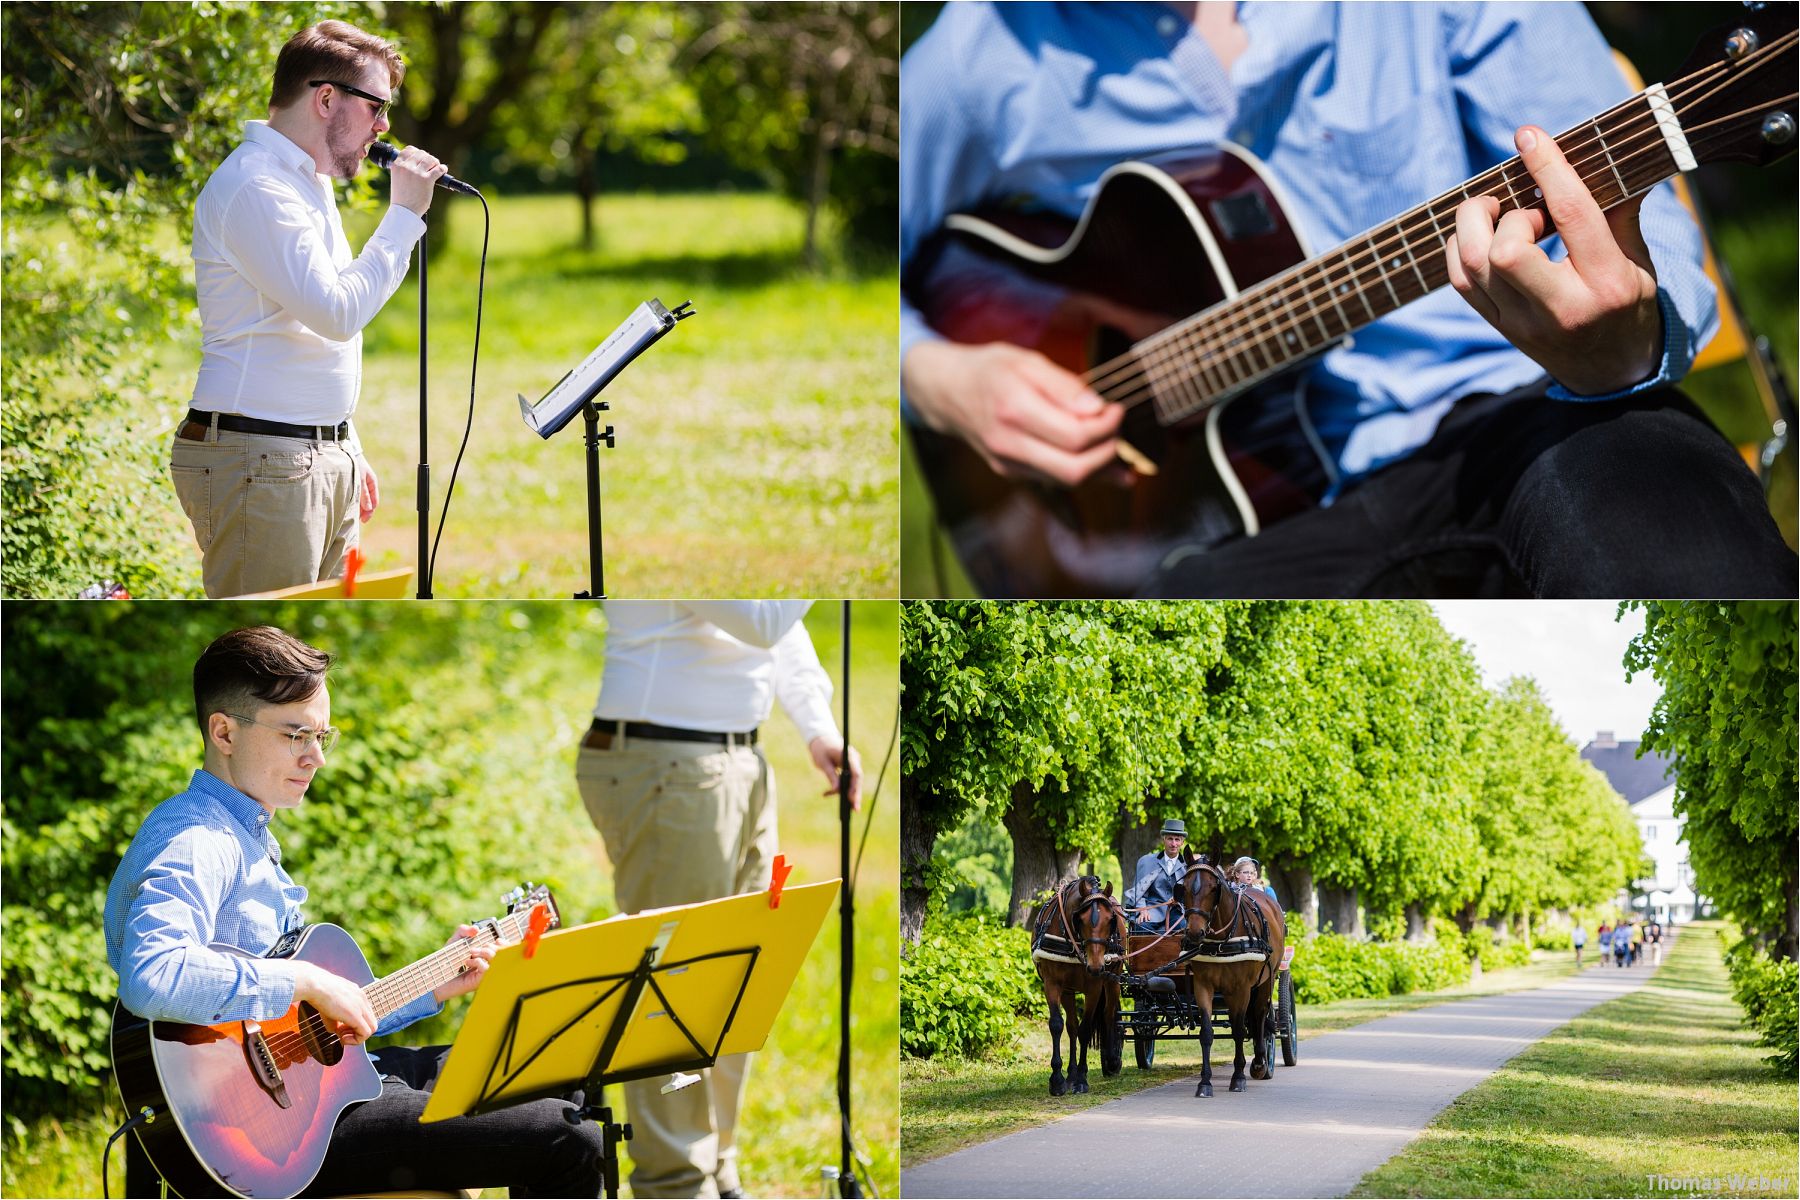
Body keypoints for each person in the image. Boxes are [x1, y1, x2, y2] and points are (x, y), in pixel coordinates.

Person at [899, 3, 1796, 598]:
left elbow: (1654, 236)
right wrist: (941, 378)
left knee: (1684, 557)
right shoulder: (979, 54)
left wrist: (1628, 340)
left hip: (1534, 416)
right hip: (1238, 528)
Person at [104, 626, 603, 1197]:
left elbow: (311, 1034)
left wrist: (438, 982)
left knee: (559, 1069)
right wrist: (307, 978)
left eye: (321, 735)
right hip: (259, 1144)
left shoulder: (246, 832)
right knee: (567, 1140)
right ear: (224, 732)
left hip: (308, 1102)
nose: (315, 757)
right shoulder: (196, 838)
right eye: (296, 735)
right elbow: (152, 974)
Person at [574, 601, 863, 1200]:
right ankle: (675, 1183)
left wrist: (818, 727)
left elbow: (779, 625)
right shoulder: (685, 517)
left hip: (737, 762)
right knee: (672, 986)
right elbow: (761, 616)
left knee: (738, 977)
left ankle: (714, 1163)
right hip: (668, 764)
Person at [171, 20, 449, 597]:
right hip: (261, 457)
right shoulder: (255, 186)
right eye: (376, 106)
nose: (385, 126)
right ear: (326, 98)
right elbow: (336, 312)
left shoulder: (304, 181)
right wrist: (404, 218)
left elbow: (316, 326)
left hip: (305, 452)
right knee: (268, 633)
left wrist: (344, 442)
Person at [1130, 819, 1190, 933]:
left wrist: (1179, 900)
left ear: (1182, 842)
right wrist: (1142, 910)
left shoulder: (1188, 866)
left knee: (1186, 930)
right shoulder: (1146, 862)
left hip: (1177, 912)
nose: (1173, 844)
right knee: (1141, 927)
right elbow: (1138, 893)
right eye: (1170, 839)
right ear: (1163, 839)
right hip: (1151, 910)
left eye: (1177, 839)